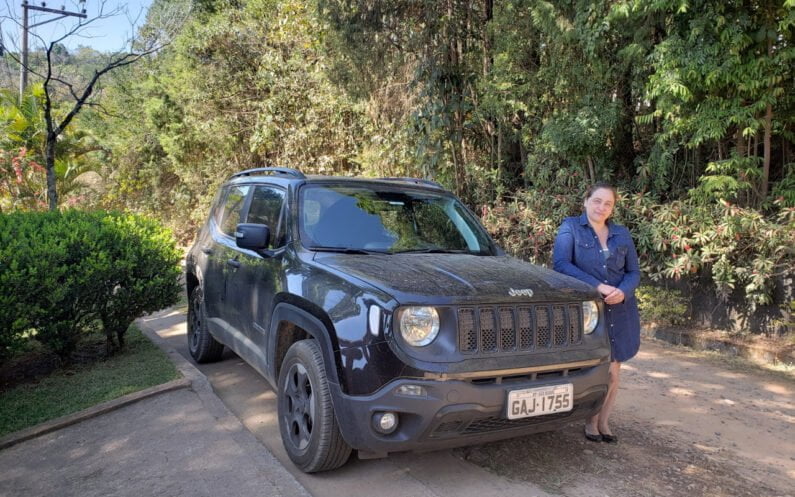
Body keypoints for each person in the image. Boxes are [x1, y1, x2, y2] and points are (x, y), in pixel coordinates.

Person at [552, 182, 641, 444]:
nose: (601, 207)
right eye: (597, 201)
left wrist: (623, 292)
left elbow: (633, 272)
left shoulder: (621, 234)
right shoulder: (571, 227)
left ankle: (603, 421)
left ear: (612, 208)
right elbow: (561, 264)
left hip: (620, 309)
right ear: (586, 201)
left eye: (608, 203)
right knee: (596, 369)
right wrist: (598, 286)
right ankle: (589, 420)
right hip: (588, 310)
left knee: (614, 371)